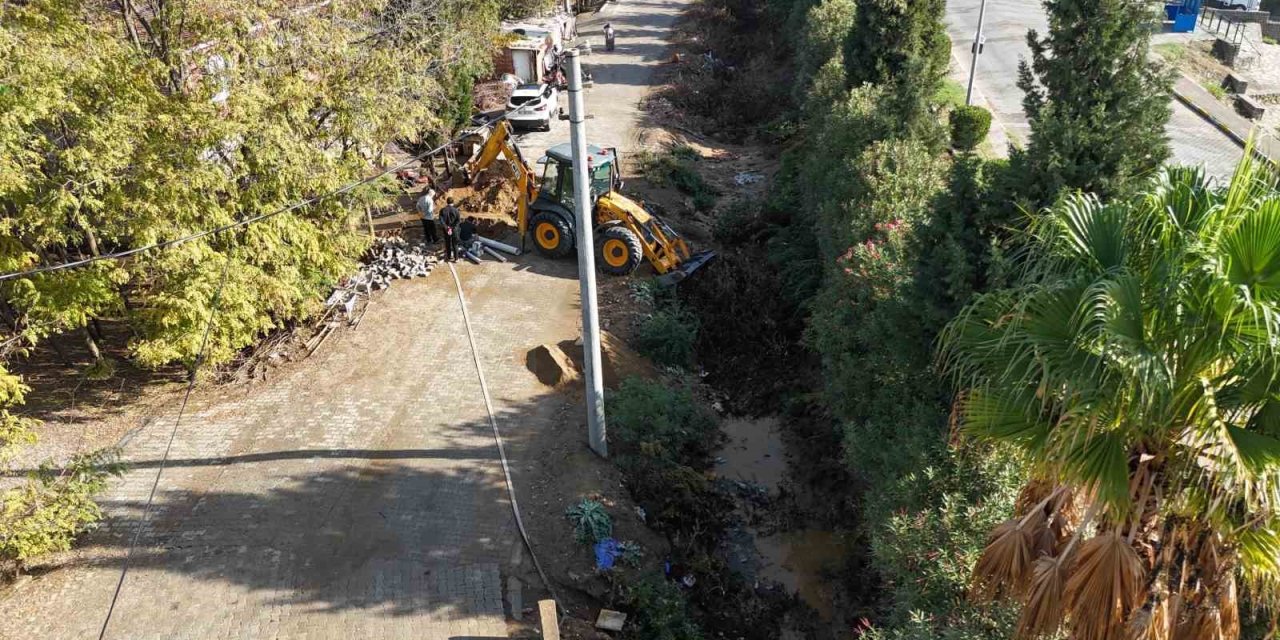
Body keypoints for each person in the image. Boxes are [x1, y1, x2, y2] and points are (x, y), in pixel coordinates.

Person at [439, 198, 461, 262]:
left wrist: (447, 227)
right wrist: (452, 227)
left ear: (447, 202)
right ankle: (456, 258)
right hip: (454, 229)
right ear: (453, 202)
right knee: (455, 244)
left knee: (447, 243)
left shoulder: (442, 210)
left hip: (446, 230)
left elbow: (441, 220)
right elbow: (458, 221)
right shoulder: (456, 210)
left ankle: (449, 257)